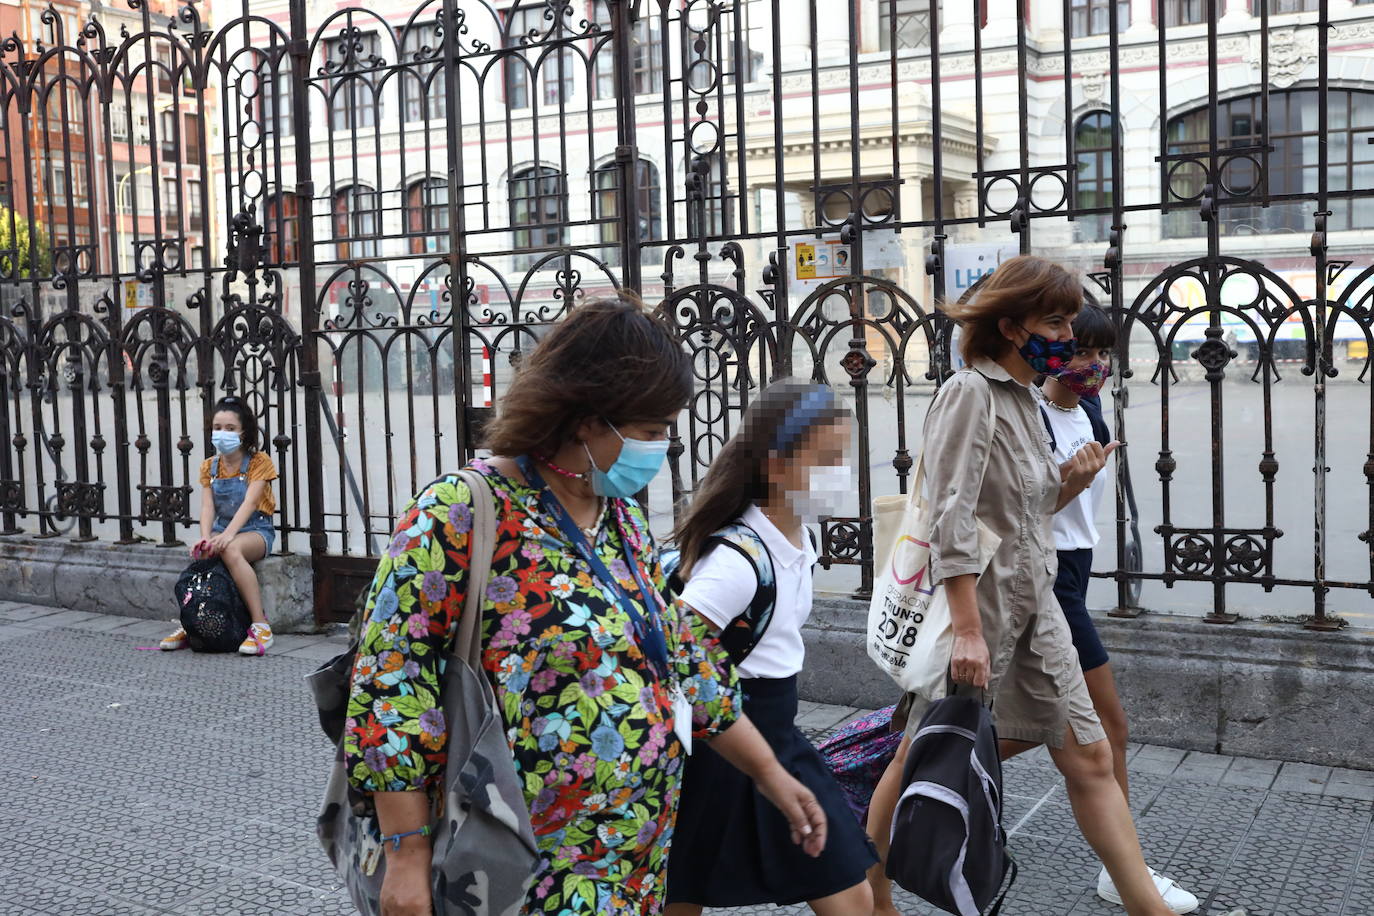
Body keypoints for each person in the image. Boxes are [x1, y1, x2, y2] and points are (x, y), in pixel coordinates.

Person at [340, 297, 828, 916]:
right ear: (584, 419)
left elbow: (682, 658)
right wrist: (406, 857)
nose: (663, 448)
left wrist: (771, 775)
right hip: (518, 866)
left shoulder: (617, 518)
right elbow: (392, 682)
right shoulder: (460, 512)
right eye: (650, 432)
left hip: (629, 867)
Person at [863, 255, 1190, 916]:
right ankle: (868, 888)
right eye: (1056, 320)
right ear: (1011, 327)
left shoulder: (1023, 403)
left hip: (1036, 610)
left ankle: (1143, 904)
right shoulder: (971, 393)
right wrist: (967, 631)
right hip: (978, 612)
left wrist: (1066, 482)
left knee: (1093, 758)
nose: (1070, 336)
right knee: (919, 755)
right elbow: (951, 513)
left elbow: (1019, 508)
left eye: (1071, 319)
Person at [664, 380, 877, 916]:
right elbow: (674, 652)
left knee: (852, 889)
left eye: (843, 458)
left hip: (779, 736)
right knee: (681, 894)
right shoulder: (737, 560)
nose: (841, 474)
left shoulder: (795, 540)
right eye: (828, 459)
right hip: (723, 745)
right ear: (778, 466)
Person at [1039, 304, 1198, 912]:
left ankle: (894, 774)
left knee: (1042, 731)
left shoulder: (1088, 409)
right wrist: (1067, 485)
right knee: (1108, 728)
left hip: (1074, 574)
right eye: (1080, 351)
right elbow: (1013, 514)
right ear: (1048, 349)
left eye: (1102, 354)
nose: (1093, 366)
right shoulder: (1030, 417)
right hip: (1045, 579)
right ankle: (1127, 873)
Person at [160, 395, 278, 656]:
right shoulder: (209, 466)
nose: (222, 433)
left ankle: (260, 625)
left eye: (230, 428)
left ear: (243, 431)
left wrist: (226, 536)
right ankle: (192, 623)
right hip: (223, 529)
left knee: (230, 549)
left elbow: (250, 503)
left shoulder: (259, 462)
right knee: (202, 558)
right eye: (217, 428)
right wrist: (205, 538)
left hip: (255, 531)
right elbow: (207, 507)